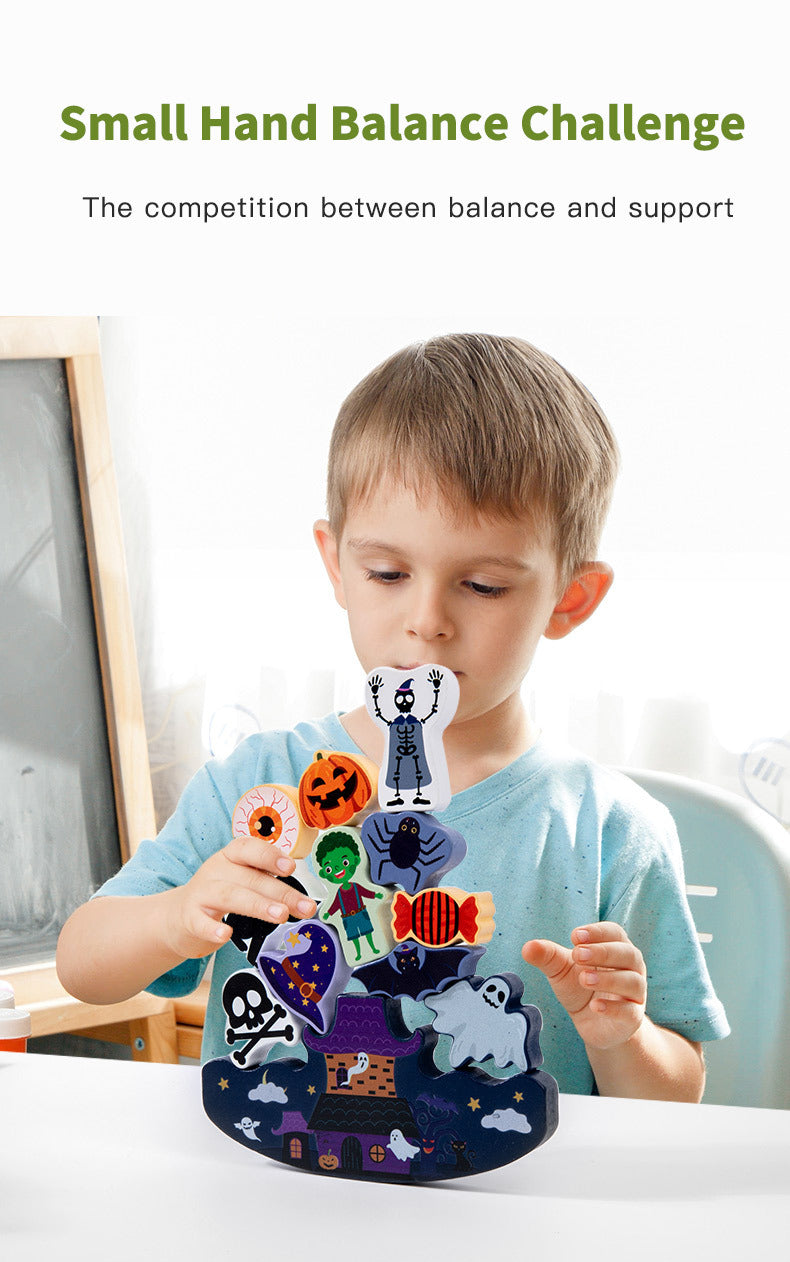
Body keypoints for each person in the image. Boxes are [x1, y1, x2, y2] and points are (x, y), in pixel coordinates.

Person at [56, 333, 729, 1099]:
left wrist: (624, 1033)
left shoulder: (611, 833)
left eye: (481, 585)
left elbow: (677, 1096)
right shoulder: (259, 785)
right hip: (282, 1199)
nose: (426, 620)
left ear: (569, 597)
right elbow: (82, 963)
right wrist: (177, 917)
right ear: (336, 563)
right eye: (388, 572)